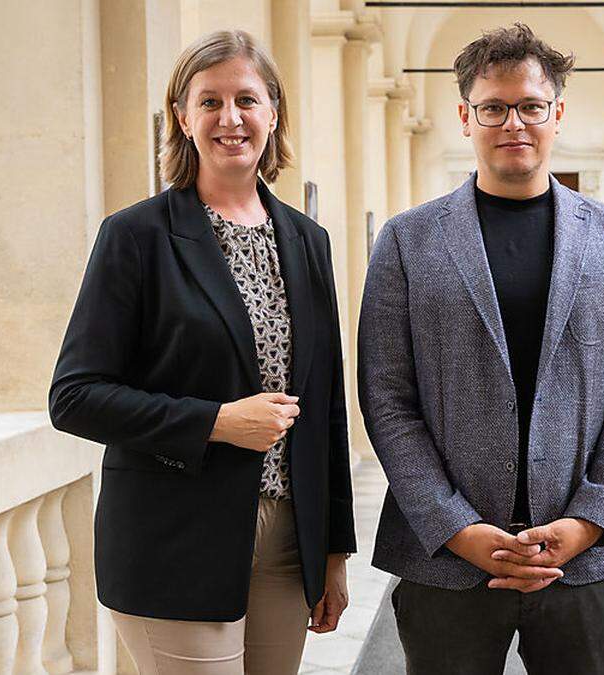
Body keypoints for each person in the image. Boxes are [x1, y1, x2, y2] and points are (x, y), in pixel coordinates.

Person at [49, 30, 355, 675]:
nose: (230, 118)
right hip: (174, 539)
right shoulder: (135, 237)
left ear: (273, 114)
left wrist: (332, 554)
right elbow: (75, 396)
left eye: (247, 99)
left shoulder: (308, 241)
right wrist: (216, 422)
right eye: (209, 101)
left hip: (286, 543)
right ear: (182, 119)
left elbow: (327, 405)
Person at [359, 23, 604, 675]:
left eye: (531, 106)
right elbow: (387, 399)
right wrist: (456, 527)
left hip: (584, 559)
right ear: (466, 116)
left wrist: (586, 521)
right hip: (446, 559)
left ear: (558, 114)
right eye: (494, 107)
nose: (513, 123)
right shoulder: (407, 242)